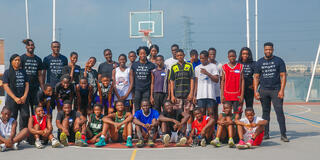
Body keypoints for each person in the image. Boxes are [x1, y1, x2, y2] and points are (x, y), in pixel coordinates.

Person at [253, 42, 289, 142]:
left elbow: (283, 75)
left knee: (279, 112)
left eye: (270, 49)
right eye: (266, 49)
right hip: (264, 90)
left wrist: (282, 90)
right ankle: (266, 133)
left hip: (276, 90)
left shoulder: (279, 61)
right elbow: (256, 77)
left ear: (273, 50)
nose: (268, 51)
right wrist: (256, 91)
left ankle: (283, 134)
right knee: (265, 113)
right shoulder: (259, 62)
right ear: (264, 50)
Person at [2, 54, 30, 131]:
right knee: (12, 116)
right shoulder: (7, 72)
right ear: (11, 62)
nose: (18, 62)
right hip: (12, 99)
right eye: (16, 60)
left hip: (23, 98)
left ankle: (22, 135)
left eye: (19, 60)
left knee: (25, 115)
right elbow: (6, 86)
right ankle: (11, 134)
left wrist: (24, 96)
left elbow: (27, 85)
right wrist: (15, 98)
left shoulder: (23, 72)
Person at [20, 39, 44, 115]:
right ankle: (24, 127)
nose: (31, 46)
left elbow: (40, 75)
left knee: (35, 110)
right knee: (25, 113)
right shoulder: (22, 58)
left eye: (32, 45)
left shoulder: (38, 59)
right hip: (25, 89)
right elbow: (19, 74)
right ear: (26, 47)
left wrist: (42, 88)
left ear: (34, 47)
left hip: (35, 88)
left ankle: (35, 126)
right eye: (29, 45)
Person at [193, 50, 219, 118]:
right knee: (201, 113)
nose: (201, 60)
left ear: (207, 58)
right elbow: (196, 83)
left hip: (210, 94)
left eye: (203, 58)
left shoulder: (213, 66)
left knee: (211, 113)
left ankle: (212, 128)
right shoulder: (197, 68)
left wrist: (207, 73)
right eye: (200, 58)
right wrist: (194, 95)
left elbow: (216, 80)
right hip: (200, 95)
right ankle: (203, 128)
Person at [130, 46, 156, 111]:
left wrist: (151, 94)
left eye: (144, 53)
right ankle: (137, 120)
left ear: (147, 54)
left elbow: (153, 80)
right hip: (137, 90)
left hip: (147, 90)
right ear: (138, 54)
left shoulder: (151, 65)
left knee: (146, 107)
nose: (143, 55)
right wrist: (132, 91)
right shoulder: (134, 65)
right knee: (137, 107)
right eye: (141, 53)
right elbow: (132, 79)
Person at [221, 49, 244, 120]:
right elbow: (223, 81)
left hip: (237, 94)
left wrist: (242, 95)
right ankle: (229, 128)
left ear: (236, 56)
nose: (232, 58)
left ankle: (237, 129)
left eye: (233, 56)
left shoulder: (240, 66)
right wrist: (222, 95)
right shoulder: (224, 67)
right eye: (230, 56)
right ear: (228, 57)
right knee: (227, 112)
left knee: (237, 113)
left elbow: (242, 80)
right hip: (227, 94)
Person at [169, 49, 194, 114]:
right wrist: (172, 95)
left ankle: (189, 125)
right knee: (178, 114)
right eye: (178, 55)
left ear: (184, 55)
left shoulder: (189, 65)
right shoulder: (173, 67)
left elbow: (192, 79)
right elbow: (171, 81)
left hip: (187, 94)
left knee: (188, 113)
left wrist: (191, 93)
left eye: (181, 55)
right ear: (176, 56)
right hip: (177, 95)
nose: (180, 57)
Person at [208, 47, 222, 122]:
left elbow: (221, 79)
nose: (212, 55)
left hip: (216, 91)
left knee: (215, 110)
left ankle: (215, 127)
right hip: (208, 92)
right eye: (210, 54)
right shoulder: (205, 65)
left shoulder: (219, 65)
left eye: (213, 54)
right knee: (209, 111)